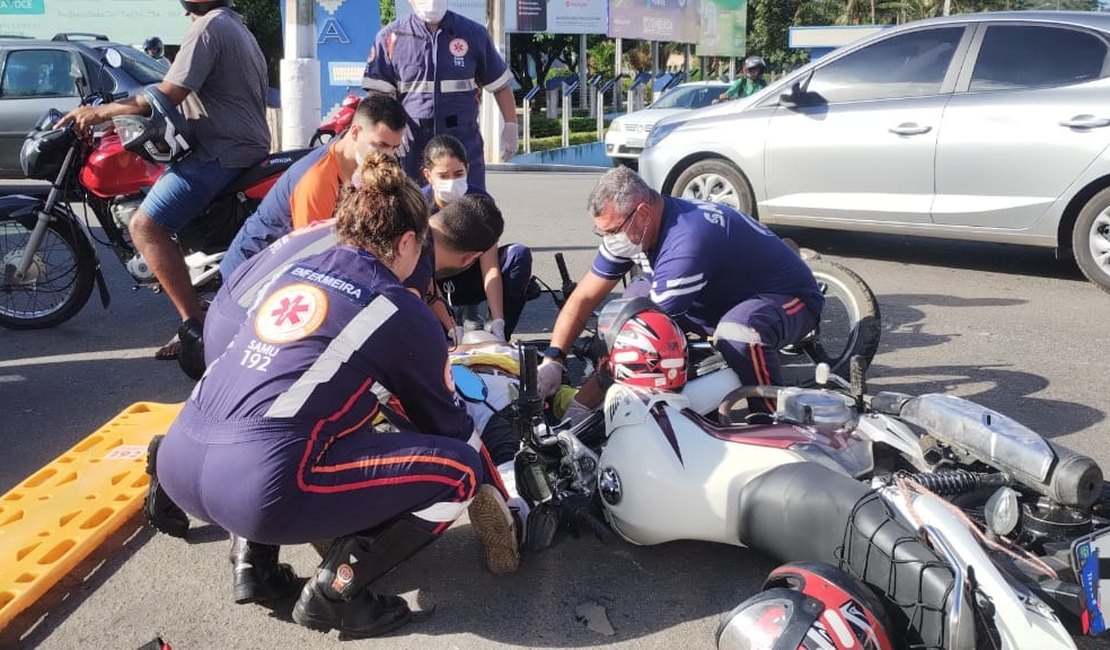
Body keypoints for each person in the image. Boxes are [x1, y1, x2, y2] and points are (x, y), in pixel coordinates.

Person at [154, 154, 521, 638]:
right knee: (457, 470)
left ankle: (255, 564)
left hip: (180, 460)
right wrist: (496, 482)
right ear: (408, 241)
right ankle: (337, 594)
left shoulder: (296, 274)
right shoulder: (397, 309)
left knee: (309, 409)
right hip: (255, 489)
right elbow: (445, 425)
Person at [56, 0, 269, 361]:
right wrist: (122, 103)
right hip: (243, 145)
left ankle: (194, 326)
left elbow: (170, 93)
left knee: (145, 226)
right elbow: (170, 85)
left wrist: (102, 112)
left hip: (222, 151)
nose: (183, 9)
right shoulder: (235, 25)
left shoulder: (208, 28)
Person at [536, 166, 824, 415]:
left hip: (786, 298)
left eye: (613, 231)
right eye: (603, 233)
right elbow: (584, 297)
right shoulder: (635, 228)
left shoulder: (687, 240)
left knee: (738, 334)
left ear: (643, 213)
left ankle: (771, 416)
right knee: (629, 303)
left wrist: (580, 408)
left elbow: (635, 342)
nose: (610, 240)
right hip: (715, 297)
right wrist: (554, 359)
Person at [219, 94, 407, 280]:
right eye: (381, 145)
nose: (387, 155)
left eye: (394, 148)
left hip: (286, 267)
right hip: (250, 275)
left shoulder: (360, 167)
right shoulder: (318, 180)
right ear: (356, 132)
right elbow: (312, 259)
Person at [361, 0, 519, 190]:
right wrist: (383, 133)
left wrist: (510, 125)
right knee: (413, 210)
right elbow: (377, 96)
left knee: (470, 209)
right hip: (412, 145)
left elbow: (500, 85)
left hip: (462, 142)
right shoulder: (391, 37)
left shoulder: (472, 33)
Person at [421, 135, 533, 343]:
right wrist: (449, 325)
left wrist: (499, 320)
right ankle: (444, 331)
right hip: (433, 282)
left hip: (472, 276)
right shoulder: (418, 206)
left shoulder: (479, 202)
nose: (451, 182)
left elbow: (489, 266)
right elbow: (420, 271)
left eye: (458, 174)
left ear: (468, 170)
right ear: (428, 175)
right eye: (443, 176)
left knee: (518, 255)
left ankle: (497, 336)